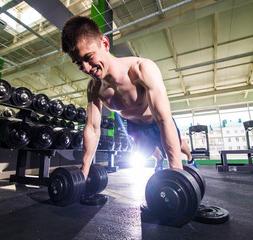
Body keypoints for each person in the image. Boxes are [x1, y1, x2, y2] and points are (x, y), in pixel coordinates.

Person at [61, 16, 196, 179]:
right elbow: (92, 128)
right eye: (78, 63)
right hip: (134, 127)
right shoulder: (94, 88)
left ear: (104, 43)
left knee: (179, 146)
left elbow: (163, 119)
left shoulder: (142, 69)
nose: (86, 68)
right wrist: (84, 171)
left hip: (156, 122)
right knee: (144, 153)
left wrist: (176, 173)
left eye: (89, 58)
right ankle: (159, 160)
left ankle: (190, 158)